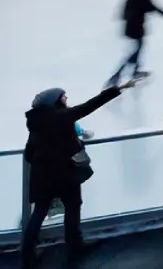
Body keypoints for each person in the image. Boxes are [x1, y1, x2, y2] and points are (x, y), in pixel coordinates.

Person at [21, 82, 133, 266]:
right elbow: (90, 105)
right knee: (73, 205)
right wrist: (116, 90)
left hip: (41, 175)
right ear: (55, 101)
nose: (66, 98)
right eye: (63, 96)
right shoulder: (62, 116)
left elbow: (28, 153)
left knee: (40, 210)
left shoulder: (36, 122)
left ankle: (27, 253)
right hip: (64, 172)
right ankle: (74, 243)